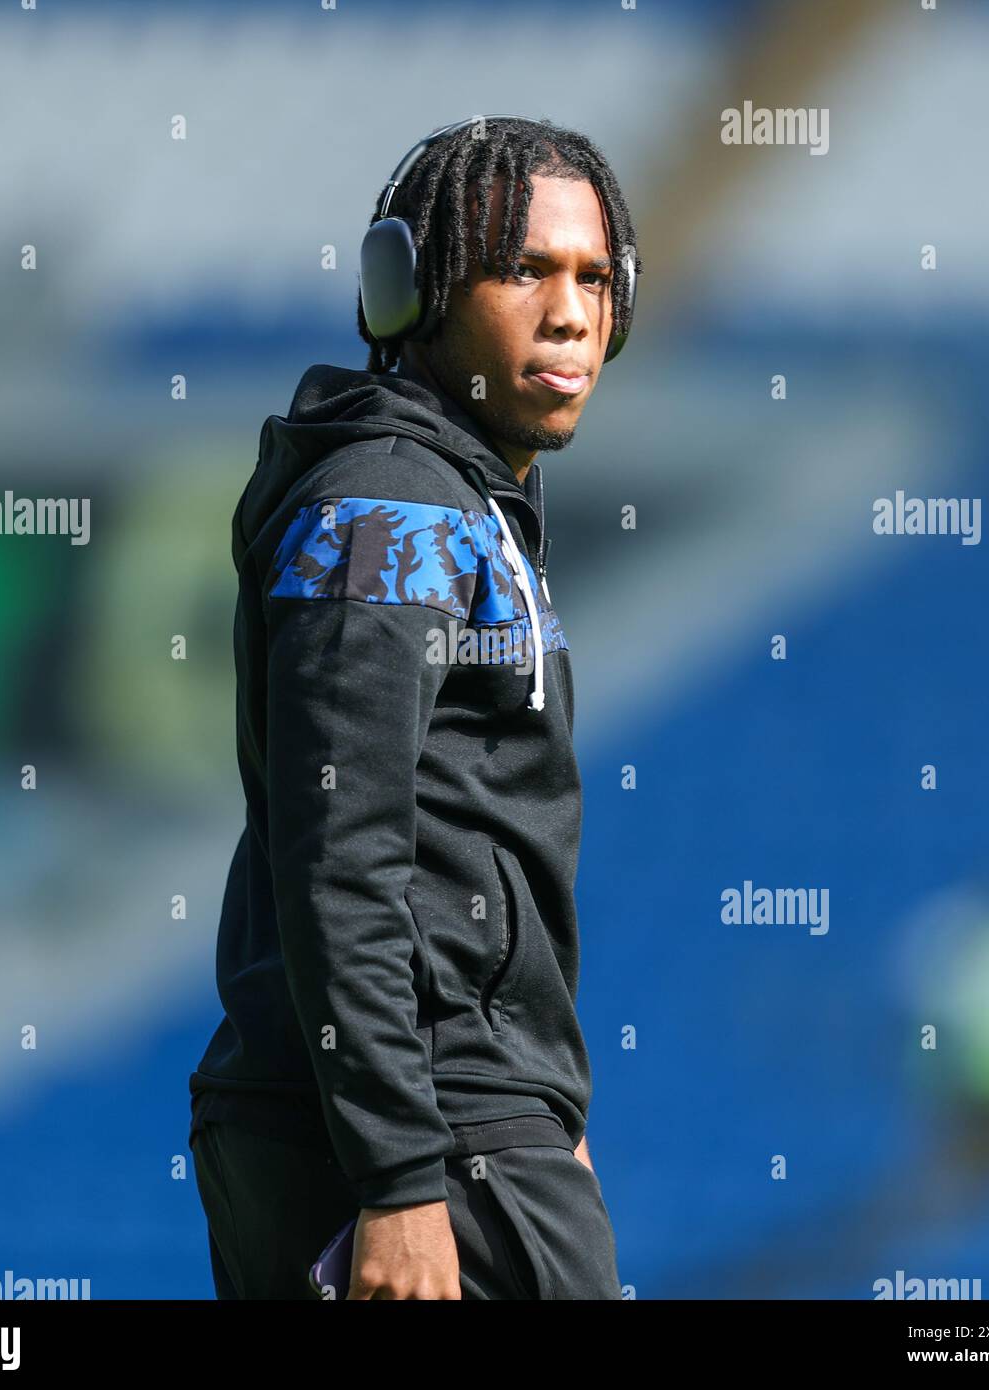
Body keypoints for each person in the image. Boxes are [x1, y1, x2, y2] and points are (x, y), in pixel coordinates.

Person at [188, 113, 641, 1300]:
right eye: (522, 269)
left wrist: (545, 1105)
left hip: (465, 1122)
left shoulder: (454, 498)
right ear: (417, 291)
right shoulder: (389, 508)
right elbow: (342, 856)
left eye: (594, 276)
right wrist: (401, 1178)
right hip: (420, 1140)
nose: (569, 311)